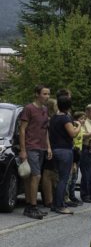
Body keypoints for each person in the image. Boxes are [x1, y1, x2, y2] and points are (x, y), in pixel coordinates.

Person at [18, 85, 51, 219]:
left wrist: (48, 147)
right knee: (36, 176)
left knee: (34, 177)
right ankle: (32, 207)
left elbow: (45, 129)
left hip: (42, 147)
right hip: (31, 146)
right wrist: (23, 150)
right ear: (37, 94)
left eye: (48, 94)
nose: (47, 96)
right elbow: (22, 130)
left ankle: (29, 206)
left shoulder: (45, 109)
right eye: (44, 94)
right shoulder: (29, 109)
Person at [48, 94, 81, 215]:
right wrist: (79, 126)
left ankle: (54, 203)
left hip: (55, 149)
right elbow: (72, 134)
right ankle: (60, 205)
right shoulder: (65, 119)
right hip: (64, 150)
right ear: (68, 106)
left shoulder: (54, 118)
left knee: (57, 179)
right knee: (63, 179)